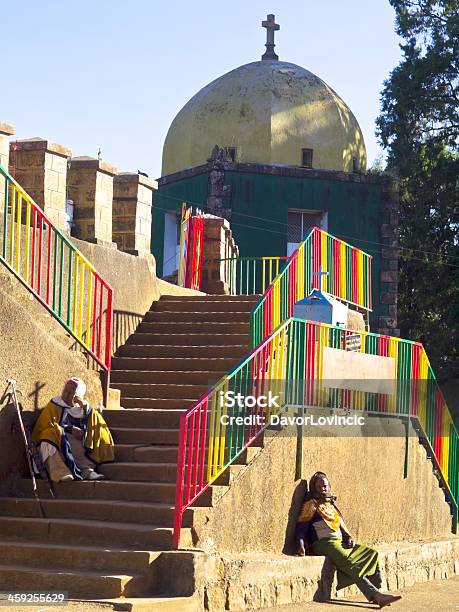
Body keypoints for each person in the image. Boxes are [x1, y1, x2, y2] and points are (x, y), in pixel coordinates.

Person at [295, 471, 402, 609]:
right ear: (314, 488)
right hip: (323, 543)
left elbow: (341, 524)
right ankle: (376, 596)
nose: (323, 489)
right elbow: (301, 527)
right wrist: (301, 544)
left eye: (326, 486)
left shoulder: (331, 504)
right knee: (348, 561)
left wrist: (348, 537)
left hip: (339, 542)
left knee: (371, 553)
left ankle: (377, 590)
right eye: (320, 486)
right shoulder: (311, 504)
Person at [32, 377, 114, 482]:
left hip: (78, 445)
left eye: (71, 393)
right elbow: (47, 425)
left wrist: (85, 407)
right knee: (48, 435)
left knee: (90, 437)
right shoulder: (55, 404)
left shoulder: (84, 409)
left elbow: (97, 425)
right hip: (59, 441)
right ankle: (61, 473)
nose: (66, 394)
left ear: (78, 396)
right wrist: (69, 429)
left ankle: (87, 472)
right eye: (65, 390)